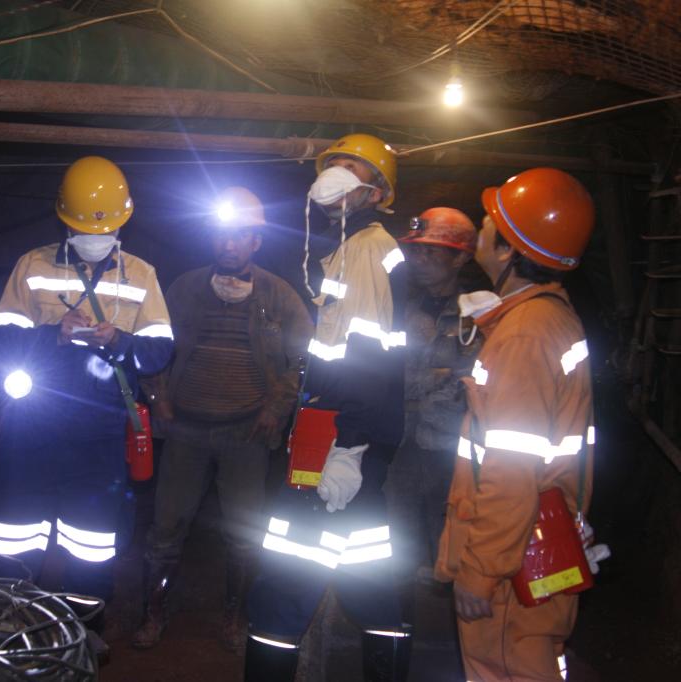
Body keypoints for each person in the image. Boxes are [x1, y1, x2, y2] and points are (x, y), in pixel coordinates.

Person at [244, 134, 412, 682]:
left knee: (282, 589)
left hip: (339, 439)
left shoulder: (364, 248)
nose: (334, 174)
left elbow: (366, 353)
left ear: (375, 191)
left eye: (350, 168)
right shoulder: (352, 247)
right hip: (351, 435)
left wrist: (349, 447)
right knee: (370, 583)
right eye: (332, 165)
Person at [435, 168, 608, 680]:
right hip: (534, 541)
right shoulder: (546, 318)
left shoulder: (525, 336)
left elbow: (511, 468)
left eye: (490, 222)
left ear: (510, 249)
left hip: (512, 561)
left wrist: (482, 570)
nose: (480, 229)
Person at [0, 156, 174, 608]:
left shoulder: (142, 274)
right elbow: (0, 340)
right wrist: (55, 334)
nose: (96, 237)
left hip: (100, 439)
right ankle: (4, 626)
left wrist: (119, 341)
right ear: (65, 220)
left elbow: (159, 351)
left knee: (91, 549)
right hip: (29, 431)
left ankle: (83, 633)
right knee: (13, 540)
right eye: (86, 228)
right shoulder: (31, 266)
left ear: (123, 223)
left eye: (104, 228)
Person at [131, 187, 313, 653]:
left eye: (240, 235)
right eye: (221, 235)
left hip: (246, 432)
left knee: (245, 535)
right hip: (186, 430)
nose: (229, 244)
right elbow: (151, 346)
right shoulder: (185, 288)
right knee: (165, 529)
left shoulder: (279, 294)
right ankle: (155, 611)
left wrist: (276, 409)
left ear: (256, 241)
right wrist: (159, 399)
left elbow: (304, 359)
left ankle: (235, 614)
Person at [387, 208, 483, 599]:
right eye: (415, 251)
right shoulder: (399, 307)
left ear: (459, 258)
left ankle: (446, 622)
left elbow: (474, 381)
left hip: (452, 451)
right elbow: (385, 371)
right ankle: (402, 619)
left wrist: (427, 385)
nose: (419, 260)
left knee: (451, 550)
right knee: (398, 551)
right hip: (400, 448)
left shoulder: (479, 314)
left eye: (431, 252)